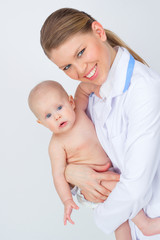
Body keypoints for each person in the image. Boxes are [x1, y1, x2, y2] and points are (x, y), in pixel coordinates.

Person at [40, 8, 160, 239]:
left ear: (98, 31)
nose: (80, 70)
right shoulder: (89, 97)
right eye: (67, 67)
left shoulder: (144, 90)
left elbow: (134, 190)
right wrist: (71, 173)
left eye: (81, 52)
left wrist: (101, 214)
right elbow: (87, 159)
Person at [28, 80, 160, 239]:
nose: (57, 116)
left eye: (59, 107)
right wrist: (66, 200)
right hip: (92, 185)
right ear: (41, 123)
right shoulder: (56, 145)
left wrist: (96, 89)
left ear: (71, 102)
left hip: (107, 174)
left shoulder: (80, 111)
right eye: (48, 115)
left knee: (120, 219)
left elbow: (83, 88)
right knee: (121, 188)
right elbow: (58, 174)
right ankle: (145, 224)